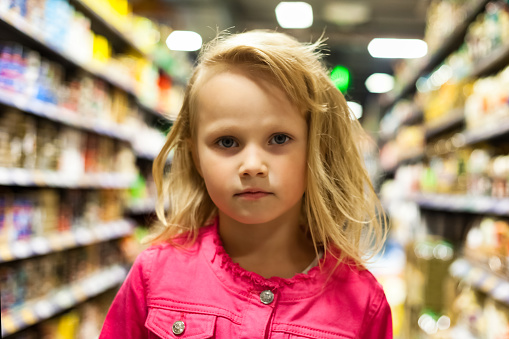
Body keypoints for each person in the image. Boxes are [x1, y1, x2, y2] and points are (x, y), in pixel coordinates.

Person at [100, 30, 392, 338]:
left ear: (316, 148)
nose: (253, 166)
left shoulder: (362, 304)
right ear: (195, 155)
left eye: (279, 139)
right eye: (227, 141)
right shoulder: (154, 275)